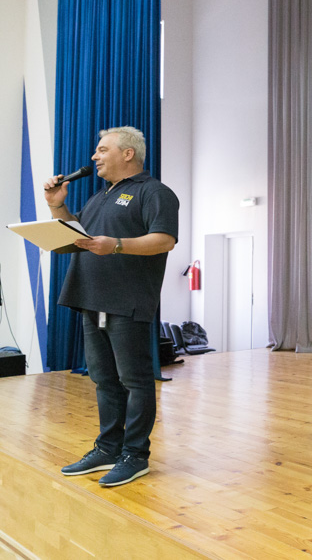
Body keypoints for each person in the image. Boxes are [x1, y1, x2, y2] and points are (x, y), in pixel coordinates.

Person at [44, 126, 179, 487]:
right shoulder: (100, 196)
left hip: (127, 300)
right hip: (91, 297)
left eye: (102, 150)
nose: (95, 157)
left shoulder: (154, 192)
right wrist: (57, 205)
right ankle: (108, 448)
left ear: (128, 153)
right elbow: (78, 236)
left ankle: (135, 455)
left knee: (135, 381)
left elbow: (164, 240)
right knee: (104, 380)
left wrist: (117, 245)